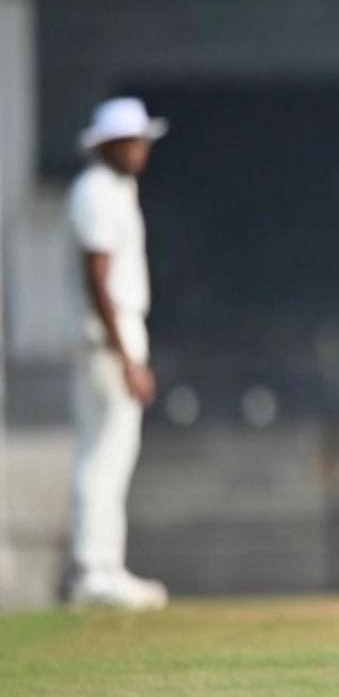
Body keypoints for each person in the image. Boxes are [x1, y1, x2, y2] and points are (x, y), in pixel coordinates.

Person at [65, 97, 169, 609]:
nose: (138, 150)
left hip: (117, 335)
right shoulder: (97, 191)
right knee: (103, 455)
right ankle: (93, 570)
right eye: (129, 142)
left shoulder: (116, 190)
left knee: (113, 455)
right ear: (107, 146)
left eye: (141, 141)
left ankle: (107, 566)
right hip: (107, 340)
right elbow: (97, 278)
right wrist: (124, 355)